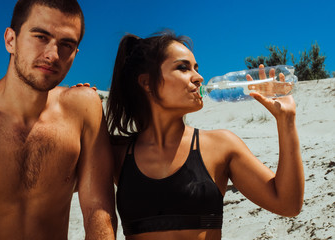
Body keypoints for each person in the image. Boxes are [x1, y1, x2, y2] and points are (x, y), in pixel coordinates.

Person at [105, 31, 304, 240]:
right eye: (183, 67)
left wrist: (286, 121)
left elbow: (287, 204)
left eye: (196, 68)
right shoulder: (117, 154)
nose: (199, 77)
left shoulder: (221, 146)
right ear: (147, 83)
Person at [0, 0, 116, 239]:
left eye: (67, 44)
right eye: (41, 37)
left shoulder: (83, 109)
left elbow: (97, 211)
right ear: (11, 40)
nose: (53, 55)